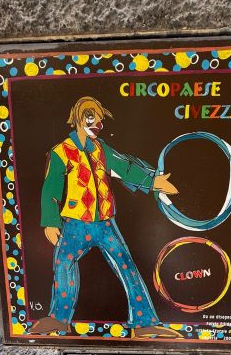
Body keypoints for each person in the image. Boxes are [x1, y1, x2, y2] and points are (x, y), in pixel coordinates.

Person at [31, 96, 182, 339]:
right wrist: (50, 222)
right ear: (78, 119)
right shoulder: (62, 152)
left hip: (105, 224)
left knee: (127, 266)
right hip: (75, 224)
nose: (97, 125)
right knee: (63, 265)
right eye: (91, 118)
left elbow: (125, 168)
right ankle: (59, 319)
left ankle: (144, 323)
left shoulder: (101, 149)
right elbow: (51, 188)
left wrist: (154, 181)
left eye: (100, 121)